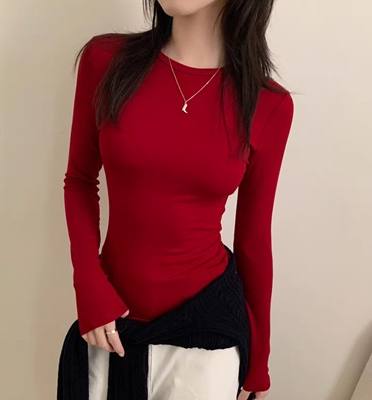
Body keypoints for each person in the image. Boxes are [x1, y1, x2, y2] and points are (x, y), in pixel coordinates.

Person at [61, 0, 294, 399]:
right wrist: (88, 282)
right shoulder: (105, 61)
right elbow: (80, 179)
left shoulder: (268, 103)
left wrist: (259, 364)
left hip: (206, 343)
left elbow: (253, 243)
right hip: (109, 325)